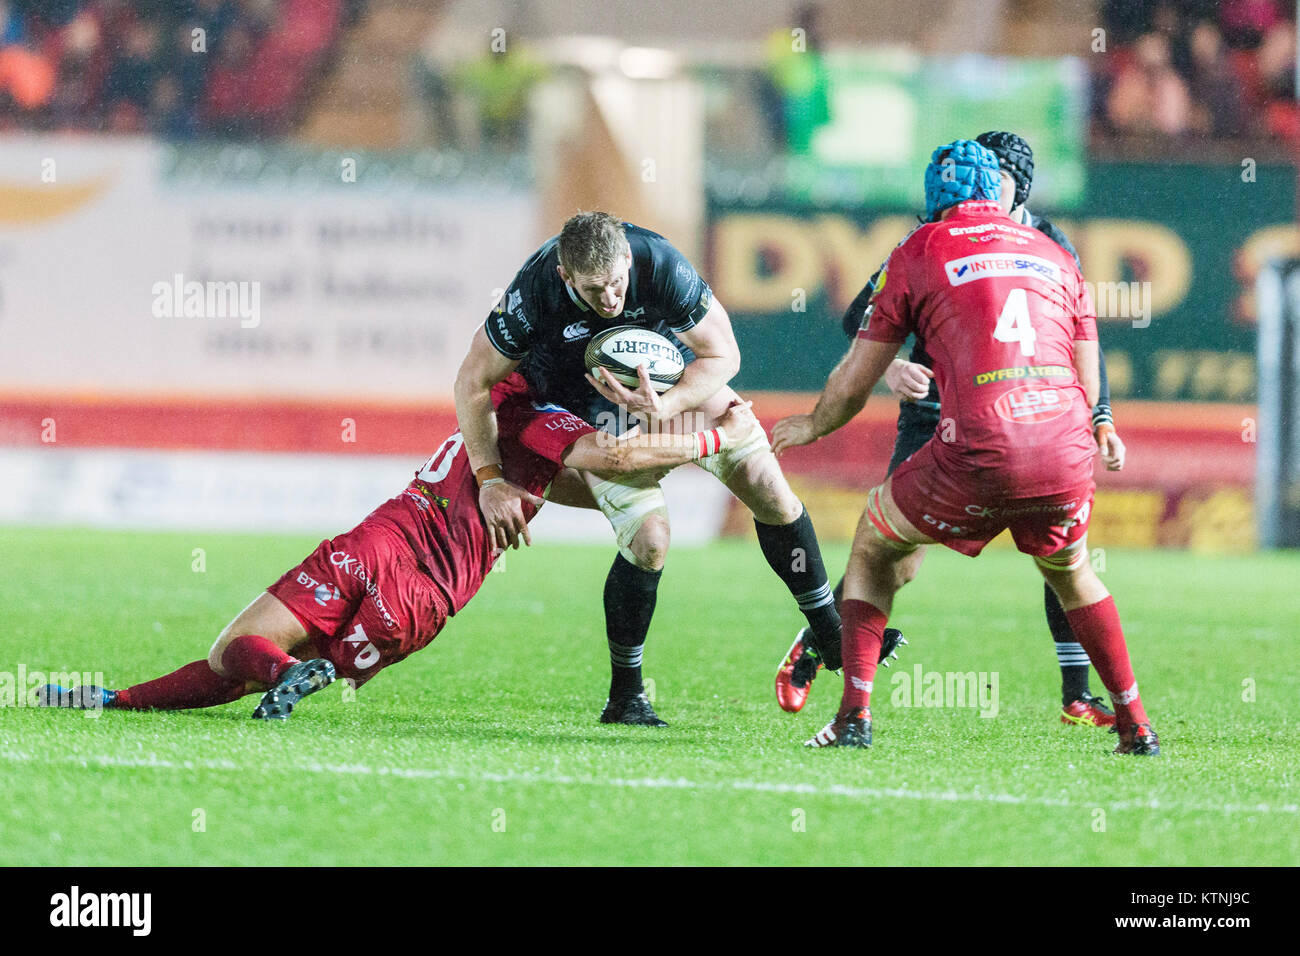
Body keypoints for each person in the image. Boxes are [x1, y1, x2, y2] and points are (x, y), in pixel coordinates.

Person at [34, 374, 761, 719]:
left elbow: (555, 473)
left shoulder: (488, 401)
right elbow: (608, 461)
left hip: (381, 535)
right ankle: (293, 675)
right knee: (290, 668)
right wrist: (709, 443)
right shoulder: (547, 423)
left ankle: (131, 696)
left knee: (239, 655)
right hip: (423, 600)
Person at [772, 140, 1159, 756]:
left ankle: (853, 715)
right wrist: (1094, 423)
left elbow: (852, 373)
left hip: (974, 439)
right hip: (1060, 440)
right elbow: (1087, 353)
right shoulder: (1056, 252)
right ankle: (1136, 724)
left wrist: (813, 425)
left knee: (876, 543)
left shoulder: (919, 246)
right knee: (1072, 571)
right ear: (998, 190)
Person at [455, 211, 853, 726]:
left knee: (768, 486)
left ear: (627, 259)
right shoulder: (532, 297)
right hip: (574, 407)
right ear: (564, 276)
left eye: (617, 283)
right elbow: (471, 381)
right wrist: (489, 477)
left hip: (664, 384)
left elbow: (724, 354)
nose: (611, 301)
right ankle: (626, 696)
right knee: (650, 540)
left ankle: (828, 633)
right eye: (594, 290)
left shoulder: (660, 262)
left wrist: (666, 407)